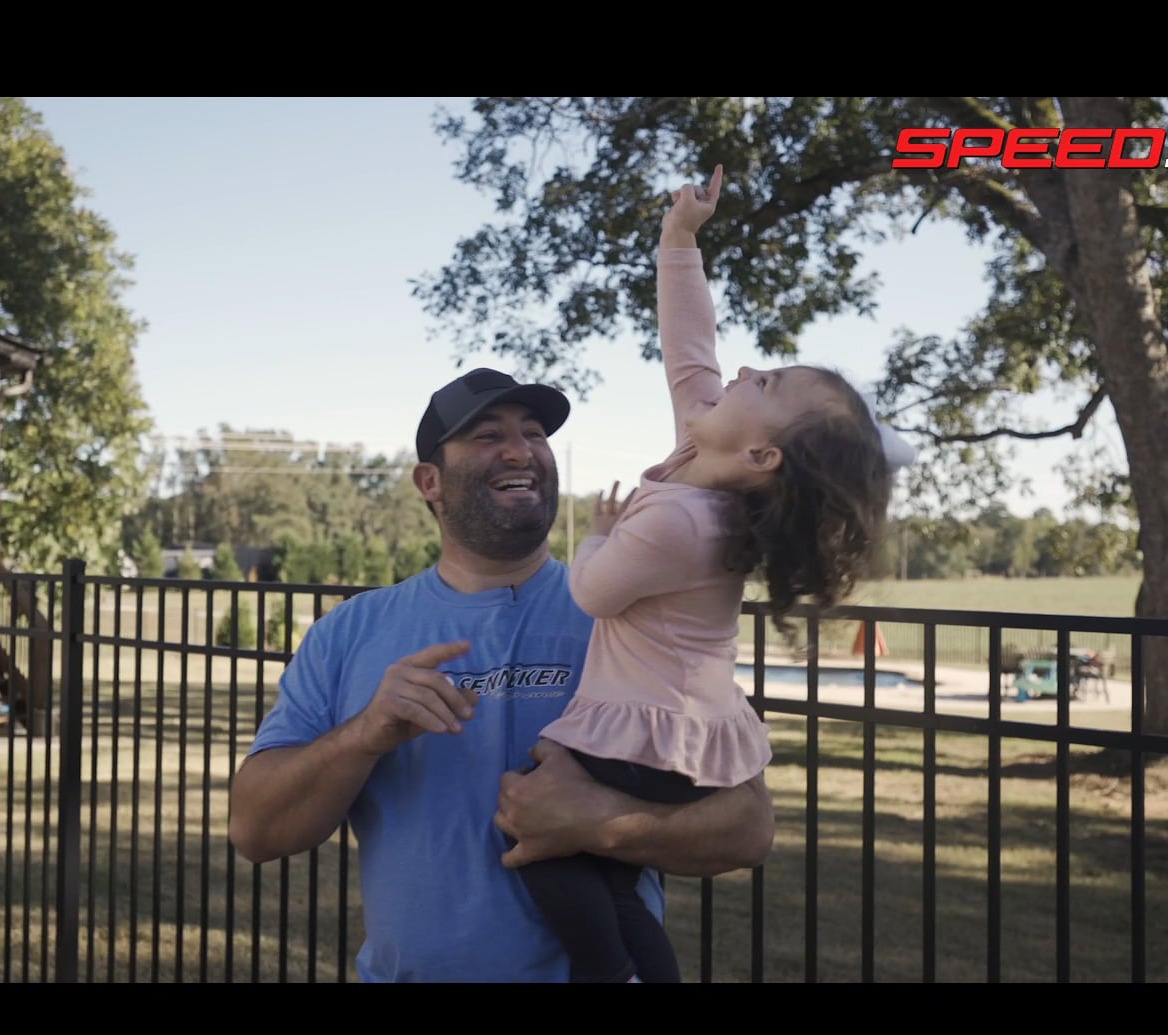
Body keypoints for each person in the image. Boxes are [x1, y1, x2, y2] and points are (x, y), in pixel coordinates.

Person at [227, 364, 777, 983]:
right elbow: (256, 830)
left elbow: (749, 827)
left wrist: (601, 823)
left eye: (534, 432)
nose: (521, 450)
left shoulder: (632, 616)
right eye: (487, 435)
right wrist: (365, 734)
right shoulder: (350, 633)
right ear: (429, 481)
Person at [511, 164, 915, 983]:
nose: (740, 372)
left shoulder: (675, 519)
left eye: (761, 383)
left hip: (636, 728)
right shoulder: (708, 467)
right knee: (605, 872)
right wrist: (679, 240)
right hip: (683, 727)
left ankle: (609, 972)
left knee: (541, 836)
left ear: (761, 454)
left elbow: (592, 592)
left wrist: (597, 534)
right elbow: (690, 352)